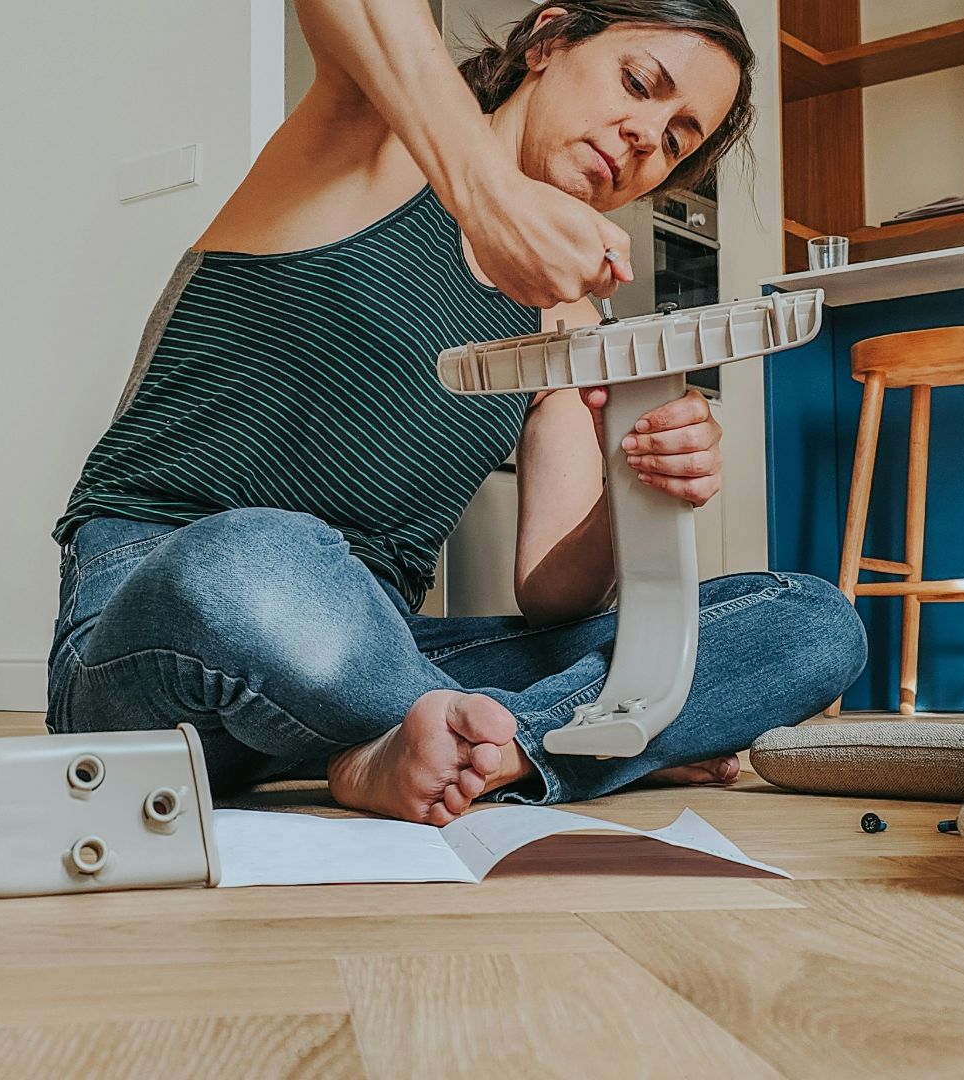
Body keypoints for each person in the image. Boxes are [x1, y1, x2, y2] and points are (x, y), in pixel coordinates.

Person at [47, 1, 866, 824]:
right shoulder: (369, 139)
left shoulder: (573, 323)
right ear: (549, 39)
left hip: (374, 655)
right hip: (169, 625)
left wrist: (638, 481)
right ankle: (584, 741)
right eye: (639, 82)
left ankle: (479, 750)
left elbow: (554, 594)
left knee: (812, 622)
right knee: (259, 554)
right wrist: (486, 193)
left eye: (679, 139)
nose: (647, 137)